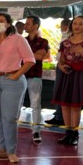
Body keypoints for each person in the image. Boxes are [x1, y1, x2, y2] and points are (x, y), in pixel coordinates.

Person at [0, 13, 35, 163]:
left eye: (1, 21)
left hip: (12, 80)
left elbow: (30, 60)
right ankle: (2, 149)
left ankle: (11, 151)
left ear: (8, 24)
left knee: (9, 118)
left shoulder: (18, 39)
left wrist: (17, 75)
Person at [52, 16, 83, 146]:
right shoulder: (65, 43)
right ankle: (68, 133)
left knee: (75, 105)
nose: (77, 26)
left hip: (81, 75)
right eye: (75, 23)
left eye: (80, 24)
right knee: (65, 104)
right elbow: (61, 61)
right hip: (67, 75)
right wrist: (62, 67)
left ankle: (75, 134)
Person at [24, 15, 50, 143]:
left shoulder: (43, 41)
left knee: (35, 104)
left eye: (28, 23)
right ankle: (12, 129)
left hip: (34, 76)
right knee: (16, 103)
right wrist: (31, 56)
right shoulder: (22, 40)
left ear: (35, 26)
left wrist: (25, 55)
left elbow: (40, 56)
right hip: (20, 75)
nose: (25, 25)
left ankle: (36, 131)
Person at [46, 18, 72, 126]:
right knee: (58, 91)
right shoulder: (65, 37)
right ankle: (59, 114)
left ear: (65, 26)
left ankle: (60, 117)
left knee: (62, 91)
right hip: (61, 64)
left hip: (66, 66)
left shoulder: (69, 37)